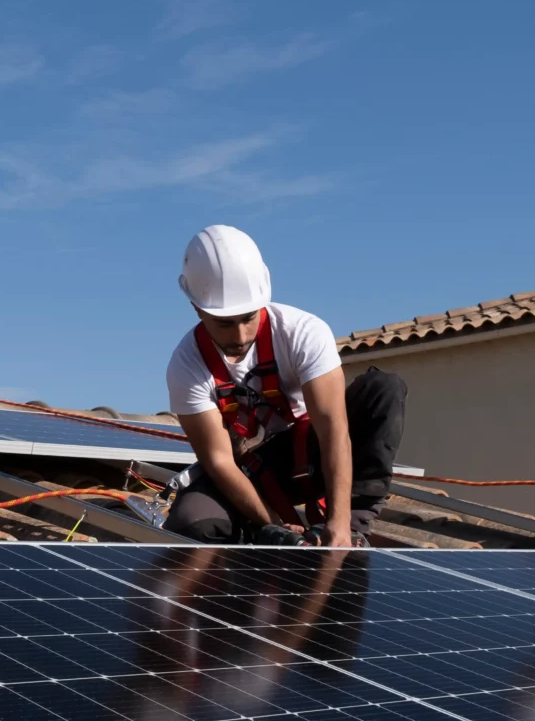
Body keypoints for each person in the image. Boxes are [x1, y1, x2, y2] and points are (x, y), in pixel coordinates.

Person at [162, 225, 407, 546]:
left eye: (248, 318)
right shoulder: (186, 366)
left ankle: (356, 519)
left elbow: (333, 430)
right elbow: (219, 460)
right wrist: (274, 524)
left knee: (383, 388)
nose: (239, 336)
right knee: (192, 522)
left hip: (313, 454)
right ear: (197, 307)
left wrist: (338, 523)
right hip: (250, 471)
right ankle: (251, 538)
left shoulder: (304, 333)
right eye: (224, 323)